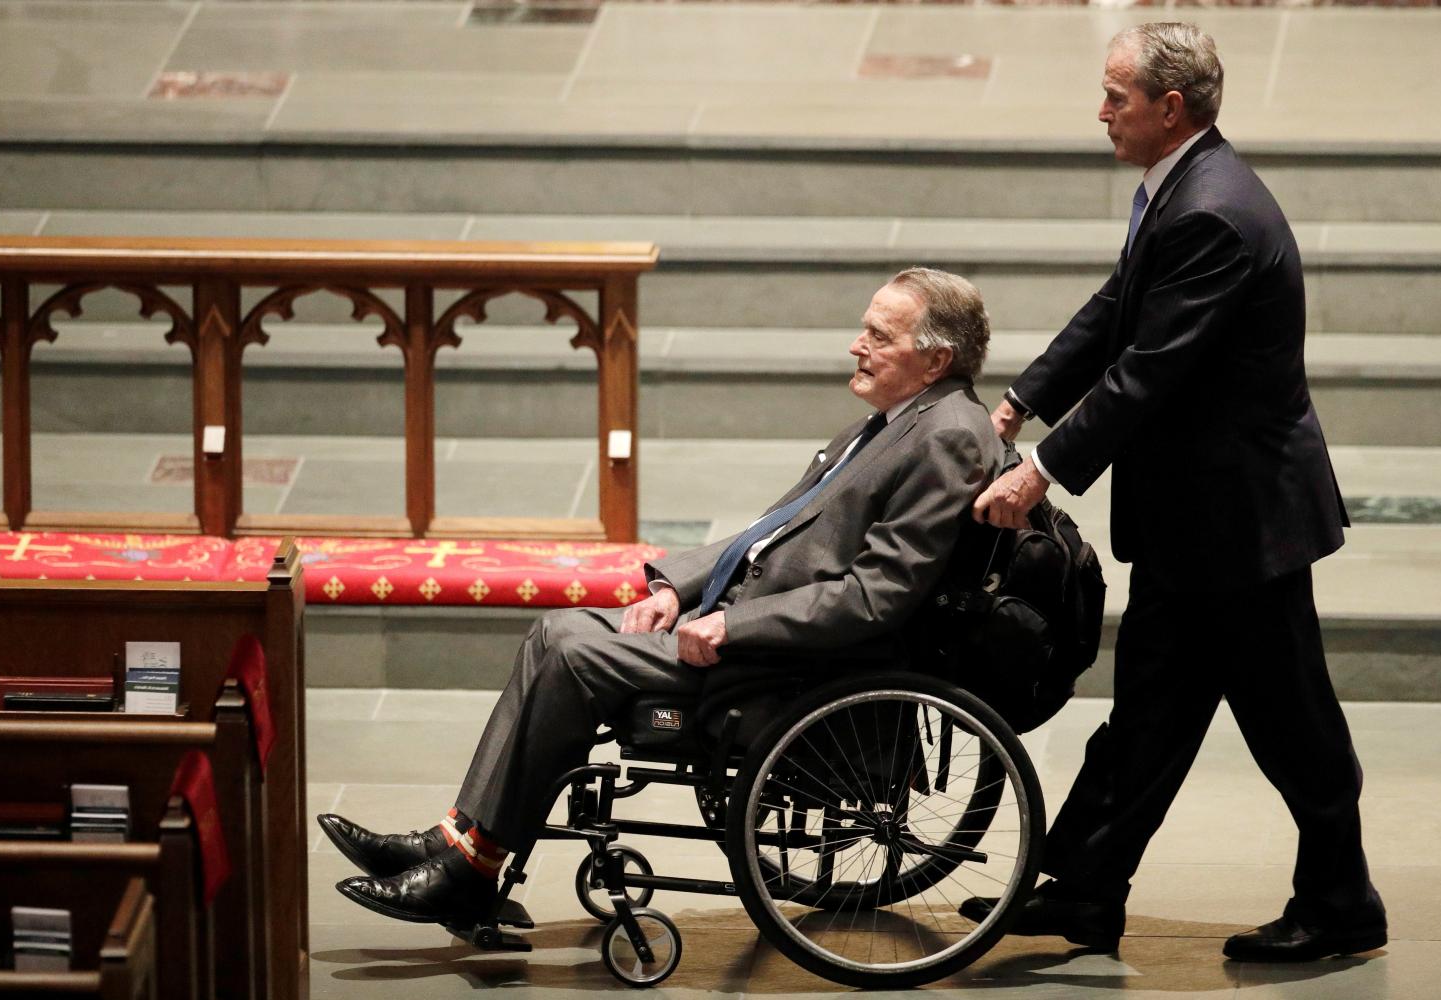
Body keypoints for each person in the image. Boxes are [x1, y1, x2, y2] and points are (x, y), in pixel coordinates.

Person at [319, 267, 1006, 930]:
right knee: (554, 632)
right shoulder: (898, 419)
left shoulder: (945, 436)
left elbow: (874, 596)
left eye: (877, 335)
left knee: (573, 655)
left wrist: (733, 624)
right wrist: (676, 589)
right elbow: (772, 531)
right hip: (745, 622)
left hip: (791, 660)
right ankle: (459, 840)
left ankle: (470, 868)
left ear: (935, 357)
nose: (856, 346)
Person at [962, 22, 1385, 963]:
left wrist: (1041, 469)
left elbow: (1146, 374)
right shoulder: (1183, 189)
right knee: (1150, 712)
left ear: (1171, 108)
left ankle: (1342, 905)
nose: (1101, 110)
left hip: (1243, 528)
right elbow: (1117, 308)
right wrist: (1021, 403)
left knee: (1293, 723)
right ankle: (1086, 894)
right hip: (1194, 524)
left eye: (1117, 96)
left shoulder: (1213, 212)